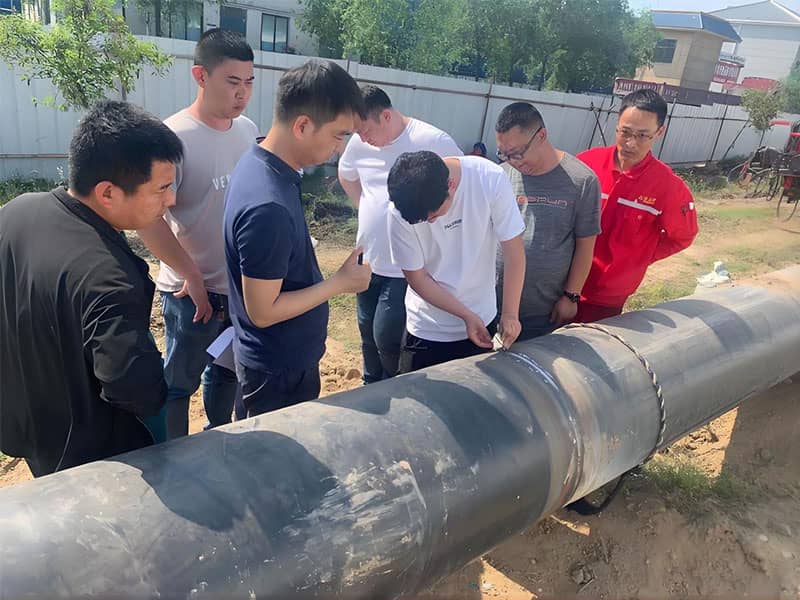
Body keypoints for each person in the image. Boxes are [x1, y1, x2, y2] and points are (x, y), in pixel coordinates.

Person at [0, 101, 182, 477]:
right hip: (90, 455)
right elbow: (135, 389)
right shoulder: (110, 277)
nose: (171, 200)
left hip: (29, 418)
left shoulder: (17, 212)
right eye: (162, 188)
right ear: (108, 193)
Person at [224, 60, 371, 417]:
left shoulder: (261, 162)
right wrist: (340, 283)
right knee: (272, 468)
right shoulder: (267, 205)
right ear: (303, 125)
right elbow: (262, 311)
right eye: (338, 135)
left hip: (278, 363)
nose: (340, 149)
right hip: (276, 373)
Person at [137, 28, 258, 439]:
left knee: (227, 371)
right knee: (178, 384)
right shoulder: (173, 139)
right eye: (232, 82)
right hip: (192, 295)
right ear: (200, 77)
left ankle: (216, 438)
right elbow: (147, 219)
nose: (242, 94)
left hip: (238, 290)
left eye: (249, 83)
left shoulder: (247, 131)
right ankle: (173, 459)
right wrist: (191, 274)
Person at [338, 85, 462, 384]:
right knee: (367, 332)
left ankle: (396, 388)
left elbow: (458, 186)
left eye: (366, 130)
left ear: (386, 115)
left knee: (388, 337)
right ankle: (370, 385)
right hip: (368, 259)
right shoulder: (358, 145)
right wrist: (367, 208)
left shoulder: (432, 141)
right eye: (357, 132)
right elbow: (347, 175)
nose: (363, 138)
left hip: (404, 265)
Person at [387, 151, 526, 373]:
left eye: (433, 215)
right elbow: (418, 277)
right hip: (427, 326)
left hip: (482, 320)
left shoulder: (489, 178)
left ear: (451, 185)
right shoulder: (400, 209)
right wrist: (465, 316)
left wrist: (510, 313)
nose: (430, 222)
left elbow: (514, 253)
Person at [576, 89, 698, 322]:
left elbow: (683, 235)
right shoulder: (586, 164)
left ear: (659, 132)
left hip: (605, 298)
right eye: (625, 132)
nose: (631, 143)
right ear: (617, 124)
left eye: (643, 135)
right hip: (560, 285)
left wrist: (638, 257)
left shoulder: (667, 186)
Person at [494, 102, 600, 339]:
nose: (513, 161)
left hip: (542, 312)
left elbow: (585, 246)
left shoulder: (581, 180)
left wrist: (571, 296)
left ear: (541, 135)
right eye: (504, 153)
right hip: (493, 306)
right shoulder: (500, 175)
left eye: (517, 153)